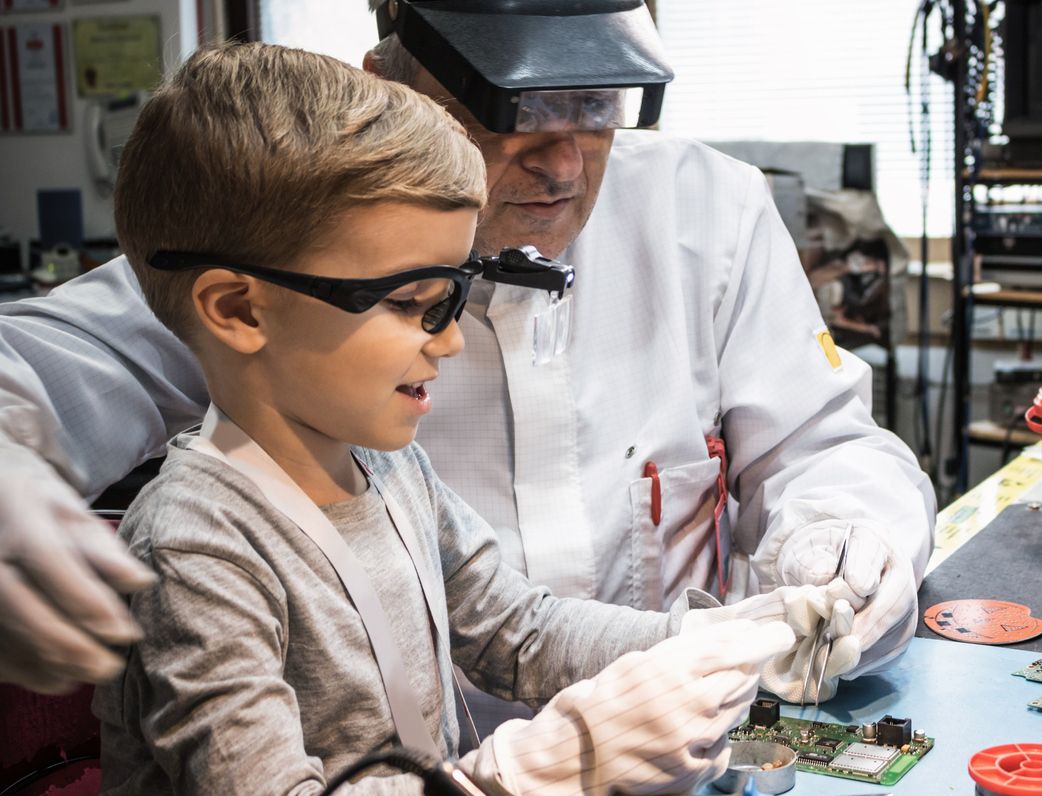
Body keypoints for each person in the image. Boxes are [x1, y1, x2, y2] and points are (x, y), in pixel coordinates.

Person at [0, 0, 935, 701]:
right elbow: (33, 364)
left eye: (598, 107)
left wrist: (840, 538)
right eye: (508, 111)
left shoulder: (710, 211)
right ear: (386, 82)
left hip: (684, 763)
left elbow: (828, 447)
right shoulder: (284, 254)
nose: (563, 164)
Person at [77, 42, 836, 796]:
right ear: (237, 309)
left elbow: (520, 631)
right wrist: (545, 767)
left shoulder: (388, 467)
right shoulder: (196, 548)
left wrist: (717, 639)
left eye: (454, 296)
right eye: (412, 302)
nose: (447, 342)